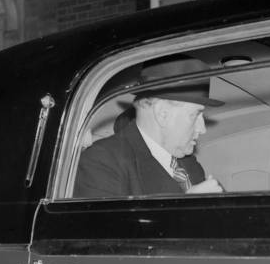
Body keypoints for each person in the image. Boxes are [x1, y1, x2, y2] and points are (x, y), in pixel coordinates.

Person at [74, 55, 225, 198]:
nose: (202, 128)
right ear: (162, 114)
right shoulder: (103, 160)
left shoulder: (190, 165)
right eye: (195, 115)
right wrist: (186, 209)